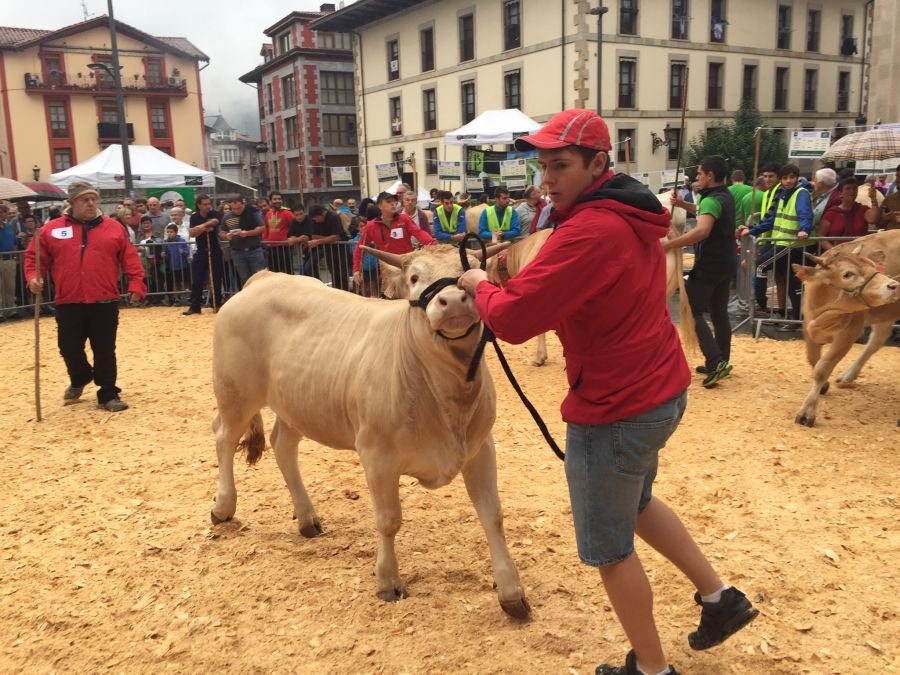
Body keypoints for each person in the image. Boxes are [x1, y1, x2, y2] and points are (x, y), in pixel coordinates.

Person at [457, 109, 757, 675]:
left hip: (614, 407)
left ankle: (650, 668)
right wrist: (512, 289)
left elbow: (517, 323)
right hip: (657, 389)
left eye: (561, 165)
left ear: (599, 163)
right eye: (544, 165)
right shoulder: (630, 211)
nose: (548, 178)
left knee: (609, 549)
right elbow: (570, 292)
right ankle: (721, 600)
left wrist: (479, 288)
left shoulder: (590, 228)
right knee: (638, 503)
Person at [24, 181, 145, 412]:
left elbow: (129, 258)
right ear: (71, 203)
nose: (91, 203)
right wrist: (33, 277)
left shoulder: (114, 228)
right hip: (68, 301)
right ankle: (80, 377)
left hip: (104, 299)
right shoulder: (51, 229)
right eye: (84, 199)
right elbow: (34, 258)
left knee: (104, 349)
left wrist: (136, 283)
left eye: (93, 199)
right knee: (68, 347)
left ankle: (108, 393)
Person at [665, 155, 737, 387]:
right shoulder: (724, 196)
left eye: (699, 174)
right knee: (719, 314)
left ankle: (715, 362)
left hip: (709, 265)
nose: (696, 178)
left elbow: (702, 230)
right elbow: (703, 210)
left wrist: (668, 244)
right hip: (726, 264)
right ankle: (722, 361)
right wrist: (682, 205)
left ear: (710, 176)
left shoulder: (711, 200)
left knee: (692, 309)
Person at [739, 164, 813, 331]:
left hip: (791, 243)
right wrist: (752, 230)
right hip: (781, 242)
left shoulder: (800, 194)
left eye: (792, 177)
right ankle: (794, 318)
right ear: (781, 180)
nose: (788, 181)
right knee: (790, 282)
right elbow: (771, 220)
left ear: (797, 178)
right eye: (785, 178)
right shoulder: (783, 195)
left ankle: (762, 306)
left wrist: (804, 229)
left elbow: (805, 213)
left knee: (760, 265)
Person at [352, 192, 435, 290]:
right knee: (391, 298)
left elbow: (420, 234)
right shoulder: (371, 226)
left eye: (394, 201)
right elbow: (360, 248)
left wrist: (435, 246)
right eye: (388, 201)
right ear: (380, 206)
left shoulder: (404, 219)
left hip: (406, 267)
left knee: (410, 297)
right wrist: (356, 270)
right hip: (388, 272)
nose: (393, 204)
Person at [183, 194, 223, 315]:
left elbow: (215, 221)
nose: (208, 206)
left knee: (216, 278)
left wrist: (201, 227)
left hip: (214, 249)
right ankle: (195, 306)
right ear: (199, 205)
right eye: (205, 204)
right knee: (197, 279)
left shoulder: (214, 213)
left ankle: (216, 303)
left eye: (209, 204)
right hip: (201, 250)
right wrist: (205, 227)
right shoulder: (194, 216)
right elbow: (192, 233)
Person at [817, 178, 881, 250]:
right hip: (837, 255)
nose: (852, 191)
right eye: (848, 189)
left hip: (859, 253)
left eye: (854, 188)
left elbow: (873, 219)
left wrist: (873, 199)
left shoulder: (862, 209)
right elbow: (821, 235)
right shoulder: (831, 213)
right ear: (840, 193)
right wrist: (833, 251)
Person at [221, 196, 265, 290]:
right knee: (244, 278)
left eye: (239, 208)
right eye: (233, 209)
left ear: (243, 204)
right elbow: (222, 232)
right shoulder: (227, 217)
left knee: (259, 277)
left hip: (254, 250)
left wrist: (247, 233)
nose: (236, 211)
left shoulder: (252, 213)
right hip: (237, 252)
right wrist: (226, 236)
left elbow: (261, 228)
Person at [305, 204, 352, 291]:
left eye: (316, 218)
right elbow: (314, 236)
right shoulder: (314, 220)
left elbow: (337, 237)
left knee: (342, 273)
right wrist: (329, 239)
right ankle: (336, 291)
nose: (316, 221)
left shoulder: (334, 217)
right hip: (328, 248)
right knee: (333, 273)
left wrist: (320, 240)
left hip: (341, 248)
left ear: (322, 214)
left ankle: (345, 292)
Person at [262, 191, 295, 274]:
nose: (277, 201)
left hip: (284, 248)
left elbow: (295, 226)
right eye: (275, 199)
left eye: (279, 199)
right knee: (273, 272)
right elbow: (266, 228)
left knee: (287, 272)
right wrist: (265, 240)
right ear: (270, 201)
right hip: (271, 248)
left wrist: (293, 237)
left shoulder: (287, 213)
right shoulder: (268, 214)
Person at [162, 223, 190, 303]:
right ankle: (177, 298)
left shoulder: (182, 241)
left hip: (183, 265)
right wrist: (164, 255)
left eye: (171, 232)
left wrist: (183, 252)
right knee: (176, 282)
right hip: (173, 266)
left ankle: (187, 297)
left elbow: (187, 251)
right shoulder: (166, 243)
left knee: (185, 282)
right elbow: (167, 255)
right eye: (168, 232)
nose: (169, 233)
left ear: (176, 232)